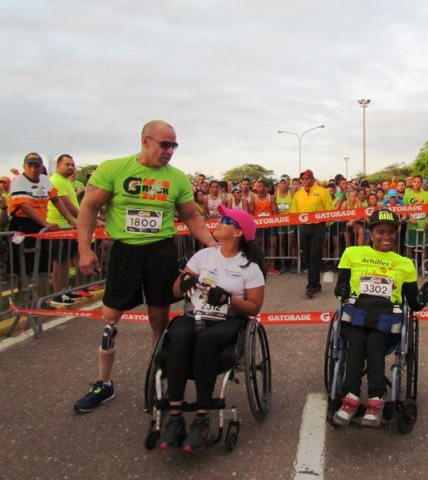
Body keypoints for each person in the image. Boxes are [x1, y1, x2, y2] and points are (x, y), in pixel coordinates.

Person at [73, 120, 218, 413]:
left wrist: (214, 246)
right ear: (145, 141)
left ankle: (157, 379)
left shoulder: (176, 178)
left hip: (160, 253)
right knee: (110, 318)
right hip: (125, 251)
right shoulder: (114, 168)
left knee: (159, 319)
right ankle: (103, 383)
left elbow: (191, 217)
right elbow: (89, 206)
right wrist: (85, 248)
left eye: (174, 146)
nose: (170, 151)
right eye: (165, 144)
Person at [158, 205, 266, 451]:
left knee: (206, 341)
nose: (218, 221)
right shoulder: (203, 256)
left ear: (238, 233)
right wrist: (184, 280)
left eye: (225, 220)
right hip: (195, 313)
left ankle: (201, 417)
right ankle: (175, 416)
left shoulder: (249, 268)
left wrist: (228, 299)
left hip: (228, 319)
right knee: (179, 334)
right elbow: (176, 291)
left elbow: (254, 307)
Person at [332, 209, 428, 428]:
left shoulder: (404, 263)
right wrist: (341, 288)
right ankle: (351, 396)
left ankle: (376, 399)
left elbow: (414, 304)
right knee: (357, 338)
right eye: (380, 232)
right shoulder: (352, 253)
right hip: (357, 314)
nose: (386, 236)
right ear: (370, 232)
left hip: (386, 319)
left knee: (375, 340)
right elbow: (341, 289)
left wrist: (424, 299)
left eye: (390, 232)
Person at [8, 153, 76, 299]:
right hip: (21, 225)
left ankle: (41, 300)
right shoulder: (18, 181)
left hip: (41, 225)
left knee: (44, 265)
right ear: (24, 167)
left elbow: (56, 200)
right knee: (23, 267)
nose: (33, 169)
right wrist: (46, 223)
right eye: (29, 166)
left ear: (41, 167)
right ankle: (26, 303)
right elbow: (25, 206)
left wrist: (71, 220)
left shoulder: (45, 180)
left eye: (36, 166)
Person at [290, 169, 334, 298]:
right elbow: (294, 212)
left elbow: (330, 210)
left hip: (318, 227)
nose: (304, 181)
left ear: (313, 179)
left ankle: (311, 285)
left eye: (307, 178)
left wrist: (326, 224)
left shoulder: (322, 192)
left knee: (315, 254)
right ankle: (316, 283)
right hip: (304, 228)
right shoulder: (298, 194)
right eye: (302, 179)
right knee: (307, 256)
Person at [47, 154, 83, 307]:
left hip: (70, 228)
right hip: (59, 227)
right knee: (58, 262)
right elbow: (67, 206)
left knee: (66, 262)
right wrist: (83, 220)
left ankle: (64, 290)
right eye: (67, 164)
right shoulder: (55, 180)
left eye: (72, 165)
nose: (70, 167)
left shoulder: (66, 182)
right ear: (58, 165)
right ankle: (57, 294)